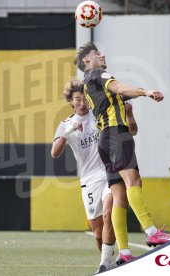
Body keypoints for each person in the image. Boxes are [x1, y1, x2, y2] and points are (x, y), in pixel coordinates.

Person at [74, 42, 170, 264]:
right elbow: (119, 88)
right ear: (87, 61)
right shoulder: (98, 73)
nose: (102, 54)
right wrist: (146, 91)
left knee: (119, 196)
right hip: (116, 135)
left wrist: (132, 103)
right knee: (133, 180)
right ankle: (151, 232)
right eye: (96, 53)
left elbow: (123, 100)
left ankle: (125, 253)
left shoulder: (90, 84)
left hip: (105, 140)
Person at [51, 77, 137, 273]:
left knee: (109, 213)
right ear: (71, 101)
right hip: (88, 181)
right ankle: (112, 262)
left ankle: (104, 265)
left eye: (84, 99)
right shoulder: (66, 124)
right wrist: (70, 131)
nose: (82, 103)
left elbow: (130, 126)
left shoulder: (100, 114)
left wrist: (131, 109)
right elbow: (54, 153)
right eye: (77, 99)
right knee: (98, 235)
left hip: (109, 172)